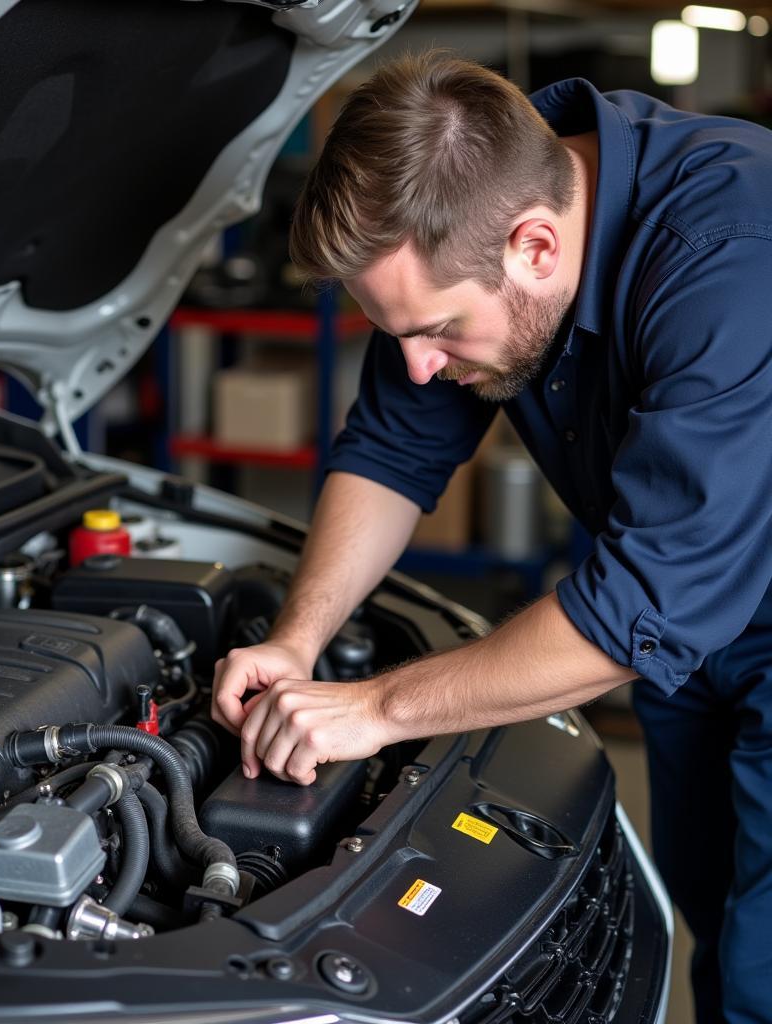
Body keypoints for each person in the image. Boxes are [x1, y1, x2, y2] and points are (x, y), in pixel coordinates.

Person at [209, 53, 772, 1024]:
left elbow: (636, 612)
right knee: (718, 931)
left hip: (693, 607)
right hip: (698, 633)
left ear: (536, 248)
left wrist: (377, 709)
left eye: (436, 332)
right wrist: (296, 643)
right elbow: (390, 450)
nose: (418, 368)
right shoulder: (463, 214)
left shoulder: (729, 252)